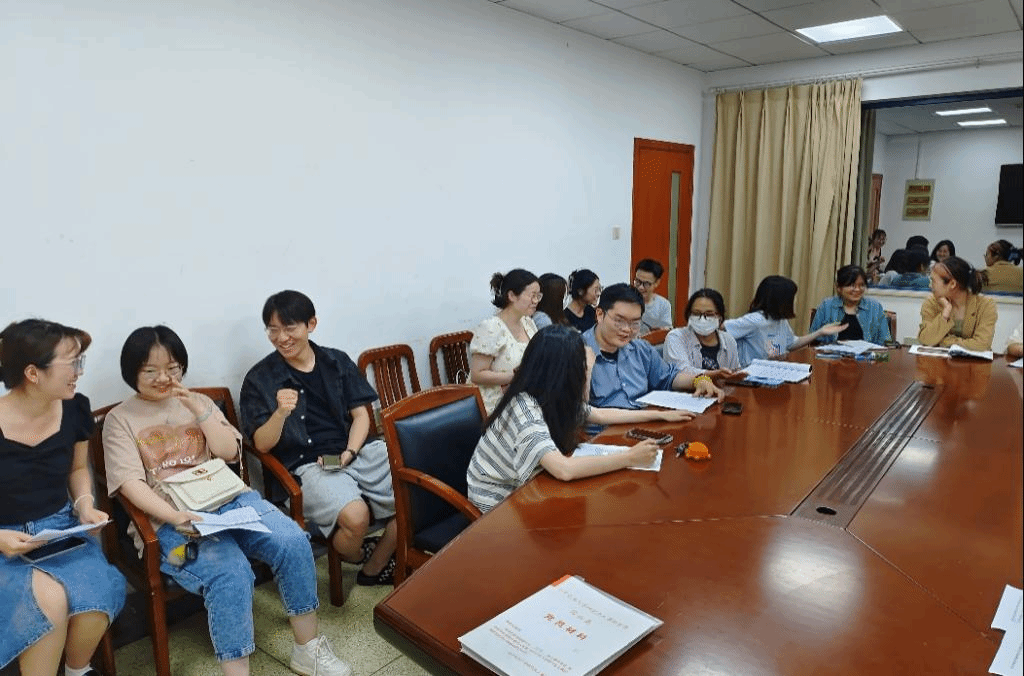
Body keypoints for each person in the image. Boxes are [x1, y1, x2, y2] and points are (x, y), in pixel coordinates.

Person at [103, 326, 350, 676]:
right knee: (230, 572)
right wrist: (174, 517)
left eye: (172, 368)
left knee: (293, 540)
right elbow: (130, 484)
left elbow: (230, 452)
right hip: (172, 530)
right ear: (132, 372)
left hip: (230, 503)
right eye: (150, 371)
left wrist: (198, 409)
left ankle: (307, 649)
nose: (164, 378)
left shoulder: (200, 402)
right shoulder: (119, 420)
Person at [240, 291, 397, 588]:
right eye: (273, 330)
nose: (281, 338)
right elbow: (261, 444)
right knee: (356, 517)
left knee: (416, 482)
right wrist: (280, 413)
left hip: (353, 451)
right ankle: (357, 556)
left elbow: (361, 416)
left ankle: (375, 565)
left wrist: (350, 452)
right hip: (307, 465)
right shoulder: (260, 378)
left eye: (289, 328)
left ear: (311, 324)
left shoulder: (336, 360)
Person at [0, 320, 126, 676]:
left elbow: (77, 468)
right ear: (33, 373)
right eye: (72, 363)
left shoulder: (74, 408)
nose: (79, 372)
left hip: (59, 529)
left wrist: (84, 504)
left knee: (95, 595)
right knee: (48, 602)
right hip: (5, 539)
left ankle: (77, 670)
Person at [467, 325, 695, 512]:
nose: (585, 371)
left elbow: (599, 414)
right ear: (563, 371)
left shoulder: (549, 393)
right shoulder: (524, 407)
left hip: (531, 487)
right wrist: (629, 457)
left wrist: (660, 414)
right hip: (498, 505)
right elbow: (564, 470)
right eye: (582, 366)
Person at [583, 284, 723, 412]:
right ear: (600, 315)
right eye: (619, 321)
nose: (627, 330)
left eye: (635, 323)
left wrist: (698, 381)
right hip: (604, 429)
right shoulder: (577, 351)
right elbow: (579, 414)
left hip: (644, 424)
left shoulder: (640, 349)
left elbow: (668, 376)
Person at [723, 275, 846, 368]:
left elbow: (791, 343)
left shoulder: (780, 320)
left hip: (773, 370)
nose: (794, 301)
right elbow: (721, 330)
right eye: (792, 298)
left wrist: (820, 332)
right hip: (751, 374)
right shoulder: (756, 320)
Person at [469, 269, 540, 413]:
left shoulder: (528, 323)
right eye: (532, 296)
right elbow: (477, 374)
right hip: (496, 404)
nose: (536, 301)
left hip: (525, 396)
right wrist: (516, 378)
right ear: (512, 295)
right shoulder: (491, 327)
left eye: (538, 296)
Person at [919, 256, 997, 351]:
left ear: (952, 284)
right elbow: (925, 340)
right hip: (940, 359)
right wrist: (945, 314)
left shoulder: (985, 305)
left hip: (974, 360)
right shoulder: (931, 302)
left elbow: (982, 344)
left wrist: (944, 341)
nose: (930, 286)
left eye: (933, 281)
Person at [810, 265, 892, 345]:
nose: (857, 289)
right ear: (839, 288)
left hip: (866, 353)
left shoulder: (875, 307)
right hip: (832, 353)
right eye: (852, 285)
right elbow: (814, 338)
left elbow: (885, 340)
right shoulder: (827, 305)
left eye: (861, 285)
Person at [664, 288, 741, 373]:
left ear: (720, 317)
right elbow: (681, 373)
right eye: (696, 313)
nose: (702, 319)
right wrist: (716, 375)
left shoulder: (728, 340)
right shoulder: (676, 337)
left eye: (709, 314)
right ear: (689, 315)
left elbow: (734, 373)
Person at [633, 258, 673, 334]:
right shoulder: (624, 301)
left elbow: (666, 333)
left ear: (656, 283)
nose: (641, 287)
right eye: (638, 281)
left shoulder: (663, 305)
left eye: (646, 284)